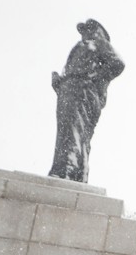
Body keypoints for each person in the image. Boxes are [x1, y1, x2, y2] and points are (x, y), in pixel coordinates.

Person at [48, 19, 125, 182]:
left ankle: (67, 170)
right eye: (83, 30)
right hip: (69, 89)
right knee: (66, 131)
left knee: (74, 129)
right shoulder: (81, 46)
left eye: (89, 29)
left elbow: (118, 63)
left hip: (82, 90)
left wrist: (95, 77)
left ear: (97, 31)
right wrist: (59, 83)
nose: (85, 33)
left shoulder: (99, 43)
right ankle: (66, 169)